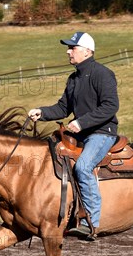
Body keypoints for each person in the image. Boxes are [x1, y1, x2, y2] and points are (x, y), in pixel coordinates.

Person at [29, 31, 119, 239]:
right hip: (79, 135)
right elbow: (62, 108)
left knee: (83, 166)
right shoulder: (73, 78)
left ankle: (92, 221)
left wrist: (82, 122)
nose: (68, 52)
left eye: (72, 48)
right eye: (68, 48)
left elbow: (110, 106)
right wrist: (41, 112)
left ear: (87, 51)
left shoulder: (102, 74)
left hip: (101, 133)